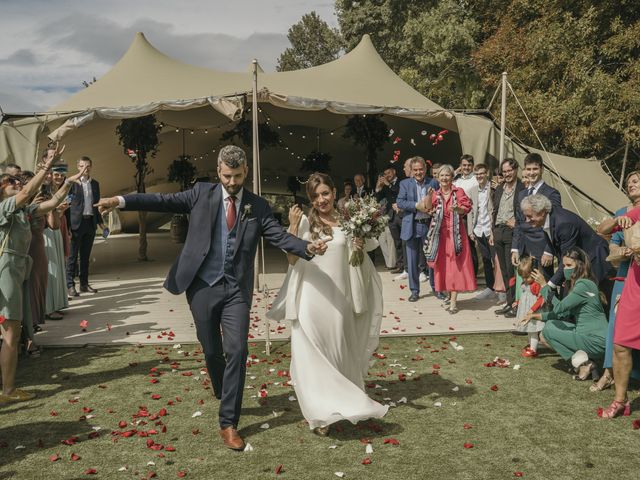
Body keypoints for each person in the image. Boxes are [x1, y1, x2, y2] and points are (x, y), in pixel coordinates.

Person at [95, 145, 327, 450]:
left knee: (238, 350)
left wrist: (306, 248)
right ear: (218, 171)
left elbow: (277, 235)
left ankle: (228, 422)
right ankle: (222, 386)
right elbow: (161, 201)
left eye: (238, 176)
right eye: (228, 176)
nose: (232, 182)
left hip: (236, 291)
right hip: (202, 286)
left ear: (246, 171)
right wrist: (119, 200)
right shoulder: (200, 194)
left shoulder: (256, 205)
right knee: (211, 350)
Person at [268, 173, 388, 435]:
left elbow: (363, 253)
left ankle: (338, 402)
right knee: (311, 355)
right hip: (311, 298)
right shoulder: (303, 222)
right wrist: (291, 226)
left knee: (337, 351)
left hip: (339, 297)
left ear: (334, 192)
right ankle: (320, 413)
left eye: (325, 193)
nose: (321, 200)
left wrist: (358, 244)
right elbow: (290, 260)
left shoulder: (349, 221)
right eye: (315, 196)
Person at [0, 144, 83, 404]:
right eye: (10, 180)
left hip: (17, 269)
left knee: (12, 332)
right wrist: (46, 166)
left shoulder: (22, 211)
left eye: (16, 179)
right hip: (6, 269)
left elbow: (53, 203)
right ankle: (8, 391)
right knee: (11, 333)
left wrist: (68, 183)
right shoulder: (4, 208)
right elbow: (27, 191)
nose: (16, 182)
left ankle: (8, 388)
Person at [521, 247, 608, 380]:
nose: (565, 269)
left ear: (580, 266)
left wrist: (544, 286)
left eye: (569, 265)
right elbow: (560, 314)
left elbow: (560, 308)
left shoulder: (583, 285)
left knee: (548, 329)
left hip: (596, 340)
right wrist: (535, 316)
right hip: (589, 336)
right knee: (548, 329)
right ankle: (586, 364)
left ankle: (585, 363)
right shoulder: (582, 284)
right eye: (564, 265)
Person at [591, 171, 640, 392]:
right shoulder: (622, 212)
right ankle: (608, 372)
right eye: (629, 182)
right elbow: (605, 234)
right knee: (617, 328)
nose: (632, 184)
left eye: (636, 181)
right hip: (624, 275)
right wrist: (617, 248)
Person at [596, 203, 640, 418]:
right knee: (620, 343)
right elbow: (602, 230)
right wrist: (618, 220)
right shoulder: (637, 211)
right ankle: (620, 400)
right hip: (635, 286)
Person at [520, 194, 611, 296]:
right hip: (579, 259)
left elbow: (567, 258)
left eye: (529, 216)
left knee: (594, 297)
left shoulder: (563, 223)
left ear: (541, 212)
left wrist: (549, 285)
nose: (527, 221)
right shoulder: (548, 218)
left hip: (595, 259)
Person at [424, 164, 477, 313]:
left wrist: (457, 209)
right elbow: (429, 208)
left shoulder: (458, 191)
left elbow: (466, 207)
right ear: (438, 177)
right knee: (444, 267)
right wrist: (428, 196)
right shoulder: (436, 193)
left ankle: (453, 302)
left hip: (455, 234)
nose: (445, 178)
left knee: (455, 268)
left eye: (447, 175)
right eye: (442, 175)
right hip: (440, 235)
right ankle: (448, 294)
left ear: (452, 177)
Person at [511, 153, 561, 279]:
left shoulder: (551, 193)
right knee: (526, 290)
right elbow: (518, 222)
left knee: (544, 288)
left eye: (535, 169)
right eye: (528, 169)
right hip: (524, 250)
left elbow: (555, 224)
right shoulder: (521, 194)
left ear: (542, 169)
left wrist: (549, 251)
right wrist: (515, 248)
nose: (531, 173)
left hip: (542, 250)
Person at [397, 157, 439, 302]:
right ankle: (414, 291)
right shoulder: (404, 183)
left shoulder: (433, 182)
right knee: (413, 260)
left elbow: (439, 200)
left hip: (429, 225)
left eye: (421, 169)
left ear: (425, 169)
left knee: (432, 258)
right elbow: (400, 202)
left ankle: (436, 288)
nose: (418, 172)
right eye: (415, 170)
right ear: (411, 170)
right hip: (412, 225)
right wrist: (416, 205)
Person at [66, 156, 107, 297]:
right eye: (82, 166)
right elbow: (67, 205)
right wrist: (67, 226)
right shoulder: (73, 183)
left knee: (85, 256)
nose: (85, 168)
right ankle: (70, 285)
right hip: (76, 224)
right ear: (78, 167)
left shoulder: (95, 184)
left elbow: (96, 206)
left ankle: (84, 284)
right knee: (72, 257)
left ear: (91, 167)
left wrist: (101, 223)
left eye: (88, 166)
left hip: (90, 223)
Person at [493, 159, 526, 318]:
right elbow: (495, 209)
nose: (506, 174)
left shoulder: (522, 188)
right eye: (504, 171)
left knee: (511, 270)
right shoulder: (499, 188)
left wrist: (518, 222)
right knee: (504, 270)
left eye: (509, 171)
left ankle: (515, 303)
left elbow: (526, 210)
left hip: (512, 232)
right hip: (498, 230)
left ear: (515, 170)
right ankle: (509, 301)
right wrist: (492, 231)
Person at [43, 164, 69, 320]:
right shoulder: (45, 191)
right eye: (56, 175)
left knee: (59, 266)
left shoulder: (59, 191)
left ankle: (58, 303)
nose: (59, 178)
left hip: (58, 228)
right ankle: (49, 308)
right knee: (51, 267)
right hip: (47, 230)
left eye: (62, 175)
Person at [468, 163, 496, 300]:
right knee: (485, 260)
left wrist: (494, 229)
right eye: (477, 174)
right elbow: (470, 211)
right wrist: (470, 230)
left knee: (496, 260)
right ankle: (490, 287)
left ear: (486, 173)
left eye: (481, 173)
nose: (479, 176)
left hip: (490, 229)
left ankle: (501, 289)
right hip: (479, 229)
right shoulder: (473, 190)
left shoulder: (493, 187)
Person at [513, 256, 546, 357]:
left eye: (527, 277)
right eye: (523, 277)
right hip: (526, 311)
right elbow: (524, 296)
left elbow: (541, 299)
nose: (525, 280)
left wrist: (532, 310)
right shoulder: (526, 283)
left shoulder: (536, 285)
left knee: (533, 331)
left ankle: (533, 349)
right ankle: (532, 347)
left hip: (533, 312)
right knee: (529, 330)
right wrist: (518, 302)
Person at [453, 154, 479, 275]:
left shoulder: (476, 179)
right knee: (459, 246)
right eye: (464, 165)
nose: (466, 167)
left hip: (470, 216)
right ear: (460, 166)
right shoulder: (457, 180)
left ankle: (472, 274)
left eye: (469, 165)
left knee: (471, 246)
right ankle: (462, 274)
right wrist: (455, 172)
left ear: (473, 166)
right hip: (457, 217)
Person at [375, 166, 403, 272]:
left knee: (402, 241)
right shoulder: (386, 185)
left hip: (401, 214)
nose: (387, 175)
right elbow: (378, 198)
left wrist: (388, 184)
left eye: (389, 173)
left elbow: (397, 191)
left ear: (394, 171)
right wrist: (378, 186)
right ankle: (400, 266)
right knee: (397, 242)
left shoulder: (401, 181)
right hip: (390, 215)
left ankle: (404, 266)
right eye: (385, 174)